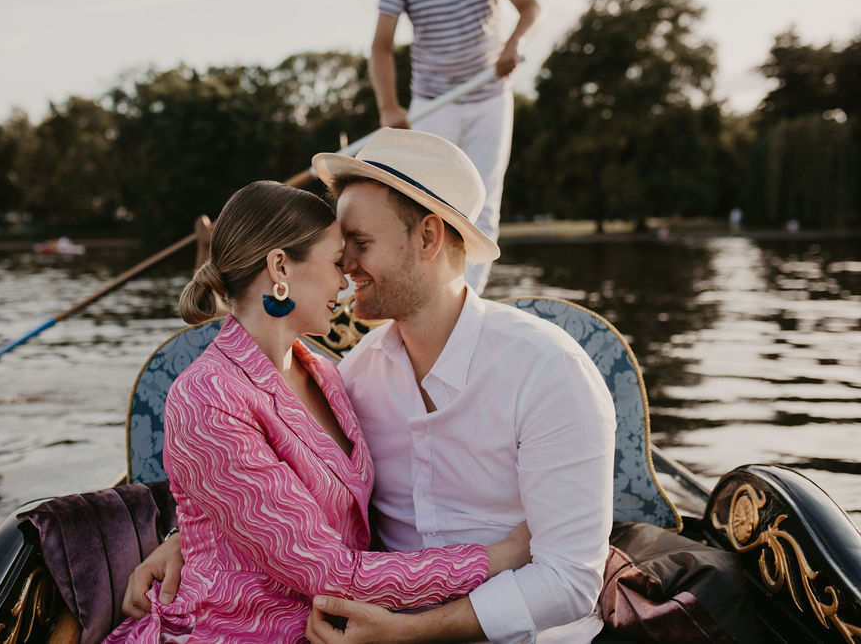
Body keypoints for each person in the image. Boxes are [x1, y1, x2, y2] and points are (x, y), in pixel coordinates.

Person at [123, 131, 616, 643]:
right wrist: (191, 536)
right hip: (357, 621)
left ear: (428, 238)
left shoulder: (547, 370)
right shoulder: (353, 375)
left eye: (358, 246)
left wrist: (411, 631)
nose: (346, 269)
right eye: (338, 253)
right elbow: (261, 498)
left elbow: (570, 581)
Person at [369, 0, 541, 294]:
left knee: (483, 203)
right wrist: (388, 107)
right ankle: (414, 294)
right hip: (433, 101)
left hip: (490, 95)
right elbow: (381, 47)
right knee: (419, 202)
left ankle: (465, 302)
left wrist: (515, 43)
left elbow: (531, 8)